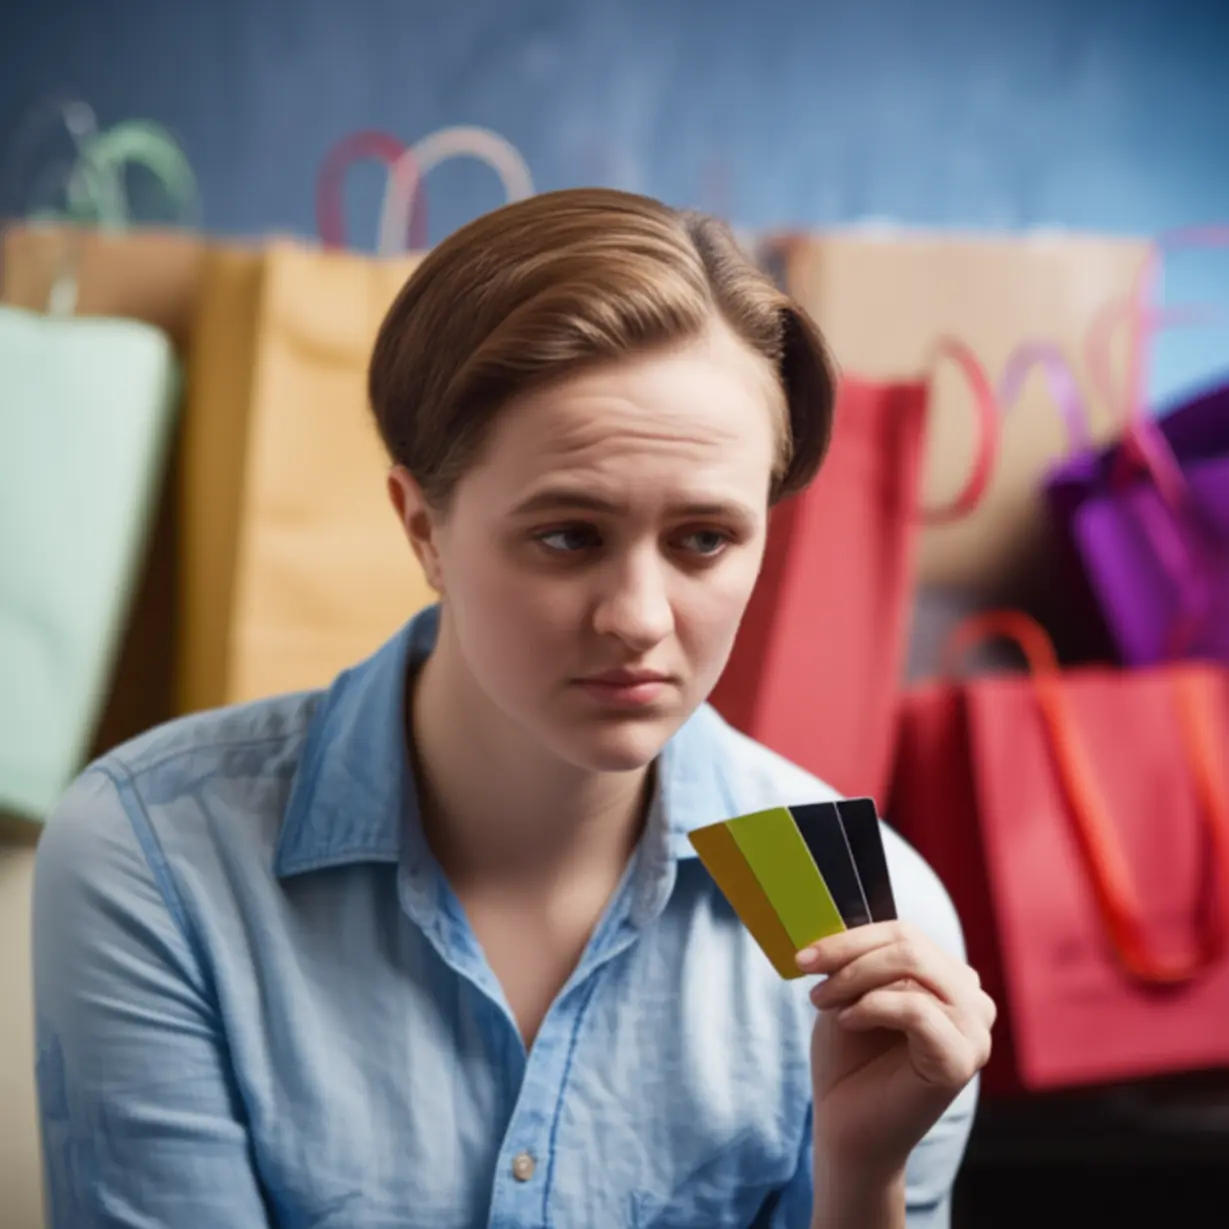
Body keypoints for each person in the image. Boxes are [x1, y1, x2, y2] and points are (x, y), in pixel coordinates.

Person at [32, 188, 993, 1228]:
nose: (636, 617)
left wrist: (860, 1182)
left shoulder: (874, 918)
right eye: (568, 534)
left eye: (704, 538)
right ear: (423, 527)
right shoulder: (157, 855)